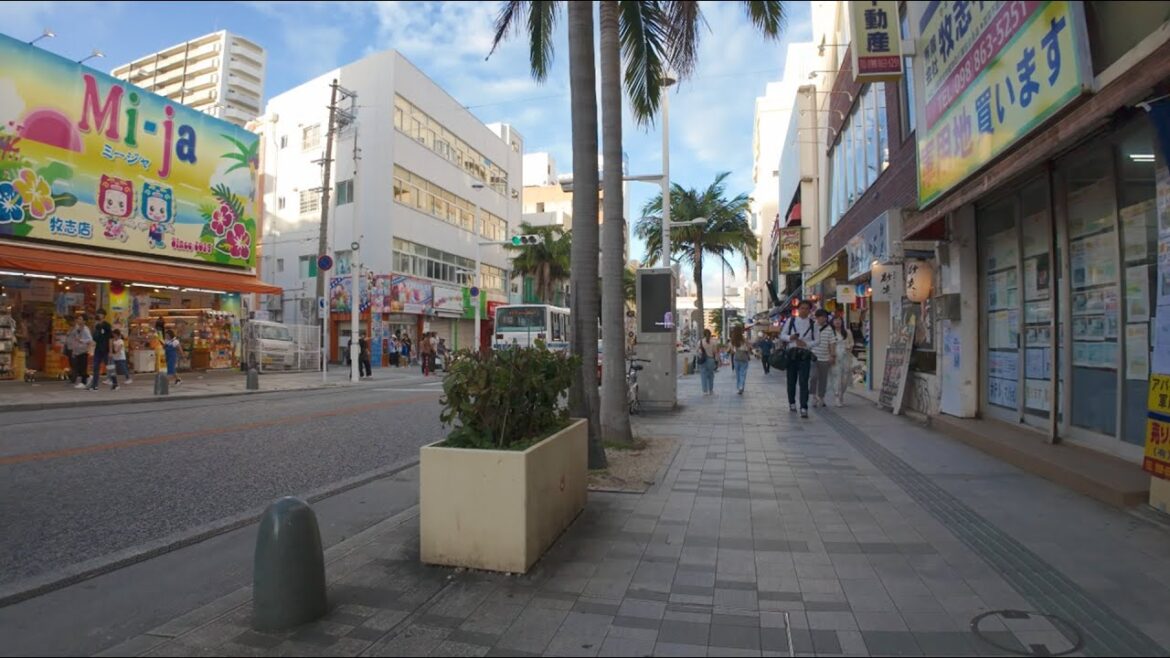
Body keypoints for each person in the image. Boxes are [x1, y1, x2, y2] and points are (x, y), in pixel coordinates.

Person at [781, 300, 816, 418]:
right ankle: (791, 402)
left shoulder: (813, 323)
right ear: (798, 309)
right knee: (791, 381)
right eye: (802, 308)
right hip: (792, 354)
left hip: (805, 355)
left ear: (809, 310)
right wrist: (790, 337)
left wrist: (806, 344)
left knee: (804, 381)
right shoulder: (791, 321)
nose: (804, 310)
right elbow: (782, 335)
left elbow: (817, 340)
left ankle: (804, 407)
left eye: (806, 308)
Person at [808, 309, 838, 408]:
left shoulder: (829, 328)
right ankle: (813, 396)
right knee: (813, 377)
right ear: (817, 317)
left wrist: (832, 355)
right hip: (813, 357)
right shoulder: (812, 327)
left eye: (825, 317)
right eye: (822, 316)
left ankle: (821, 397)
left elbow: (832, 342)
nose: (824, 318)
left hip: (825, 358)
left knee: (823, 379)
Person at [828, 316, 854, 406]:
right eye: (835, 320)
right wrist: (830, 355)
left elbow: (852, 342)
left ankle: (841, 394)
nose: (837, 321)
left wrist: (849, 347)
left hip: (846, 356)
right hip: (835, 357)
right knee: (836, 377)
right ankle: (836, 396)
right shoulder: (830, 332)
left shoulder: (847, 332)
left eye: (839, 320)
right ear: (832, 322)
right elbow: (828, 345)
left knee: (845, 378)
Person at [88, 309, 113, 390]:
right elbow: (95, 338)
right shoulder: (97, 326)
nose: (99, 315)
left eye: (100, 314)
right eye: (98, 314)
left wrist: (110, 351)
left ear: (103, 315)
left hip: (105, 349)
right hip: (98, 349)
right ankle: (95, 385)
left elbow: (110, 338)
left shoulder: (107, 325)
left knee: (109, 366)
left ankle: (114, 382)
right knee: (95, 366)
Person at [66, 314, 93, 389]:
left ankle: (83, 382)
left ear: (84, 321)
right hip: (77, 350)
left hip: (83, 350)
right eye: (78, 319)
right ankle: (88, 377)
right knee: (79, 367)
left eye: (80, 319)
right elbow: (74, 339)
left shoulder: (85, 329)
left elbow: (90, 339)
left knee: (82, 367)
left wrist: (81, 340)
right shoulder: (78, 329)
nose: (78, 320)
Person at [729, 325, 751, 395]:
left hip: (736, 357)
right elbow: (748, 348)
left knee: (738, 374)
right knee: (743, 373)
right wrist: (748, 355)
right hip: (744, 357)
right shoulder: (744, 339)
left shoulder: (733, 339)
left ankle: (739, 387)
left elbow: (732, 350)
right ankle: (741, 386)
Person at [697, 328, 719, 396]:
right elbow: (715, 352)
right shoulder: (713, 342)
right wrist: (717, 361)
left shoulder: (700, 342)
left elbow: (697, 351)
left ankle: (705, 391)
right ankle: (711, 390)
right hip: (711, 360)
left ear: (703, 334)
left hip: (703, 360)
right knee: (711, 375)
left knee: (703, 375)